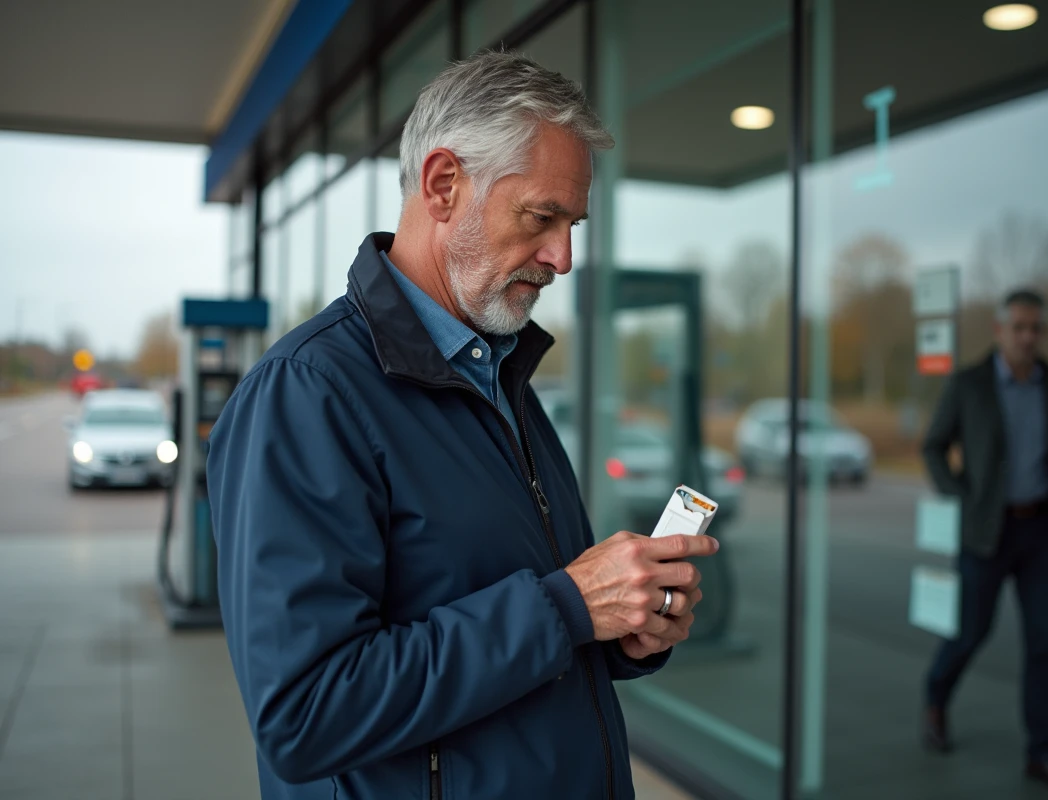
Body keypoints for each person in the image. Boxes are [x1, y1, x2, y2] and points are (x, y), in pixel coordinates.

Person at [207, 51, 718, 800]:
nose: (564, 258)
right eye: (542, 217)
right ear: (443, 184)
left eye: (572, 224)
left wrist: (625, 628)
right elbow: (304, 714)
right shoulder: (305, 395)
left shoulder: (500, 373)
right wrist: (568, 605)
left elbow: (534, 624)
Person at [921, 288, 1048, 795]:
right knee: (970, 632)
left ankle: (1044, 753)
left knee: (1044, 645)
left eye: (1035, 328)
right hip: (986, 532)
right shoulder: (969, 384)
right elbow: (933, 447)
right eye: (1018, 327)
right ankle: (935, 699)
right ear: (999, 330)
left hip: (1042, 530)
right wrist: (963, 498)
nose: (1027, 337)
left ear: (1043, 332)